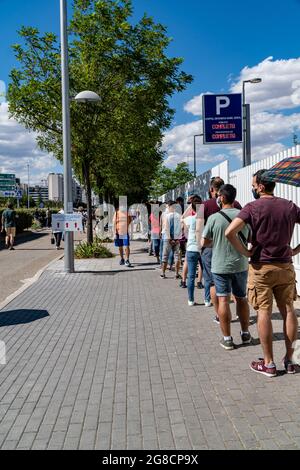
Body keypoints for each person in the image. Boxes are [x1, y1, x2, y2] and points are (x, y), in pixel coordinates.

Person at [225, 170, 300, 376]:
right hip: (285, 266)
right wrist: (295, 250)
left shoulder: (252, 207)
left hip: (261, 267)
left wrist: (246, 251)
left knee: (264, 312)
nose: (252, 188)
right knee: (289, 311)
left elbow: (229, 232)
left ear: (259, 186)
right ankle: (292, 361)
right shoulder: (289, 206)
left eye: (253, 184)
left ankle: (269, 363)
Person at [202, 184, 251, 350]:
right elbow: (250, 237)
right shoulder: (243, 216)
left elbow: (204, 242)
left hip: (220, 265)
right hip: (241, 264)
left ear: (221, 198)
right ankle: (245, 333)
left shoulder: (214, 218)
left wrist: (216, 241)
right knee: (241, 298)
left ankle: (228, 338)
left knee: (223, 299)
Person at [202, 177, 242, 314]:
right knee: (238, 288)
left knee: (214, 284)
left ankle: (219, 315)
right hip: (236, 248)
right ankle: (240, 312)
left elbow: (198, 229)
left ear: (211, 189)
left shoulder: (205, 205)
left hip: (212, 248)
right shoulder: (236, 204)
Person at [183, 195, 203, 306]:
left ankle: (190, 300)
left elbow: (182, 217)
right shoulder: (205, 219)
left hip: (191, 248)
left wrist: (190, 206)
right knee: (207, 276)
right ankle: (207, 300)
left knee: (191, 276)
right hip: (203, 248)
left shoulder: (189, 219)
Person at [160, 200, 182, 279]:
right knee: (177, 256)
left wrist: (169, 239)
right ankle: (176, 274)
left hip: (167, 238)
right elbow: (181, 228)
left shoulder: (166, 216)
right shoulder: (179, 216)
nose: (166, 208)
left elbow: (166, 228)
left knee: (165, 256)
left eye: (167, 206)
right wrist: (177, 238)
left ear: (170, 207)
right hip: (176, 239)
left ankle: (163, 273)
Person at [113, 201, 133, 267]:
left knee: (127, 245)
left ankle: (127, 260)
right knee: (120, 246)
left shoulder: (127, 213)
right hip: (118, 232)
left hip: (125, 232)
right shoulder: (116, 213)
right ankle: (122, 259)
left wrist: (125, 226)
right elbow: (114, 223)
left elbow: (130, 220)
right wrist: (114, 233)